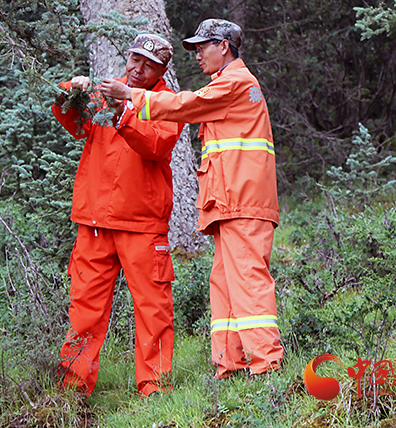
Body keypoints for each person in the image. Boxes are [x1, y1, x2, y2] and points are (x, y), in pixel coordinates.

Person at [100, 19, 283, 379]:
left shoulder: (235, 83)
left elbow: (187, 105)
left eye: (202, 48)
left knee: (247, 279)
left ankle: (267, 365)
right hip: (230, 203)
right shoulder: (229, 83)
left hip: (242, 201)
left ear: (223, 47)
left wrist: (132, 96)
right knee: (224, 283)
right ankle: (229, 365)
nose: (197, 56)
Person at [52, 33, 183, 397]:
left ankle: (155, 389)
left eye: (149, 65)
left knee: (153, 310)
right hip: (94, 222)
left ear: (162, 70)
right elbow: (74, 122)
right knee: (85, 309)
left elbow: (156, 145)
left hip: (143, 224)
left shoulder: (167, 103)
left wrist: (123, 111)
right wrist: (70, 91)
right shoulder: (105, 91)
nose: (139, 69)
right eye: (135, 60)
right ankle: (73, 389)